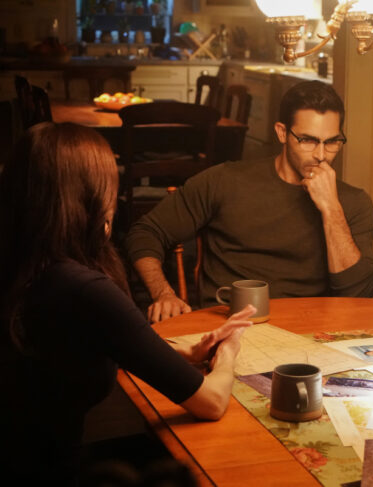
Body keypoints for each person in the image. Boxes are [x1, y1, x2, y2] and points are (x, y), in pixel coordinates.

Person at [0, 122, 254, 484]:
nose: (114, 202)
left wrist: (185, 353)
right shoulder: (85, 289)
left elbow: (84, 346)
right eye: (109, 187)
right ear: (86, 198)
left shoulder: (26, 266)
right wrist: (228, 352)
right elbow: (211, 402)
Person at [126, 80, 373, 323]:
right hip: (230, 327)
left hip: (310, 332)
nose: (321, 155)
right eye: (308, 140)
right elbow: (145, 233)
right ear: (282, 133)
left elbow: (358, 292)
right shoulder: (225, 180)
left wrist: (330, 208)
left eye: (332, 142)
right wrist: (164, 294)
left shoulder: (353, 202)